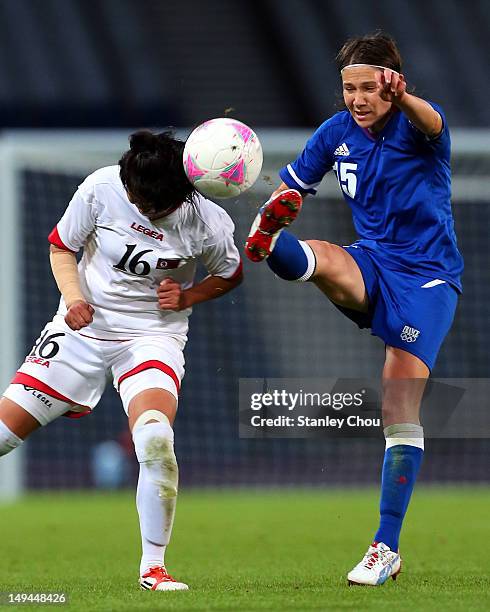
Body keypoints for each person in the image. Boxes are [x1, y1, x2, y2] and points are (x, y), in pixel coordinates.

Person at [245, 32, 463, 586]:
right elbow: (293, 183)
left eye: (370, 88)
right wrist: (272, 205)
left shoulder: (418, 127)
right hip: (372, 260)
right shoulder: (335, 133)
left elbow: (435, 121)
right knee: (323, 259)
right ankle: (269, 241)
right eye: (349, 88)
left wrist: (407, 98)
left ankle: (385, 547)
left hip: (428, 278)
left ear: (392, 85)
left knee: (397, 409)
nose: (358, 99)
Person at [0, 130, 243, 591]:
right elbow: (61, 247)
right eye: (131, 193)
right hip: (81, 330)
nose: (135, 203)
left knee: (154, 438)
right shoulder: (101, 186)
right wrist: (73, 298)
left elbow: (229, 273)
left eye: (146, 203)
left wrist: (188, 294)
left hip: (152, 336)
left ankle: (153, 569)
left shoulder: (207, 222)